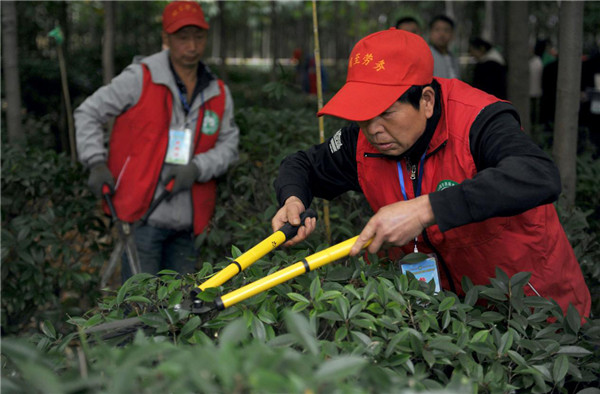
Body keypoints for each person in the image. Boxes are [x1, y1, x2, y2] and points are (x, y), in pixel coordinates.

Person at [271, 28, 591, 319]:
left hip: (533, 315)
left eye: (386, 113)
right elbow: (303, 165)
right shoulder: (363, 138)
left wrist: (426, 209)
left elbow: (538, 174)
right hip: (442, 324)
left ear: (426, 100)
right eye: (363, 114)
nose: (373, 129)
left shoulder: (477, 121)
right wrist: (293, 198)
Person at [75, 1, 239, 280]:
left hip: (190, 222)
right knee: (139, 308)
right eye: (183, 37)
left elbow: (229, 146)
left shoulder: (217, 91)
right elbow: (88, 112)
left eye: (198, 37)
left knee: (180, 311)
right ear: (166, 38)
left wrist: (198, 167)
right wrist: (96, 161)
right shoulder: (141, 77)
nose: (192, 46)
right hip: (143, 216)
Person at [428, 15, 461, 79]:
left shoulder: (454, 58)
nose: (442, 34)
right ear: (431, 33)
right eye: (437, 30)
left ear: (452, 34)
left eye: (446, 30)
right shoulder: (426, 56)